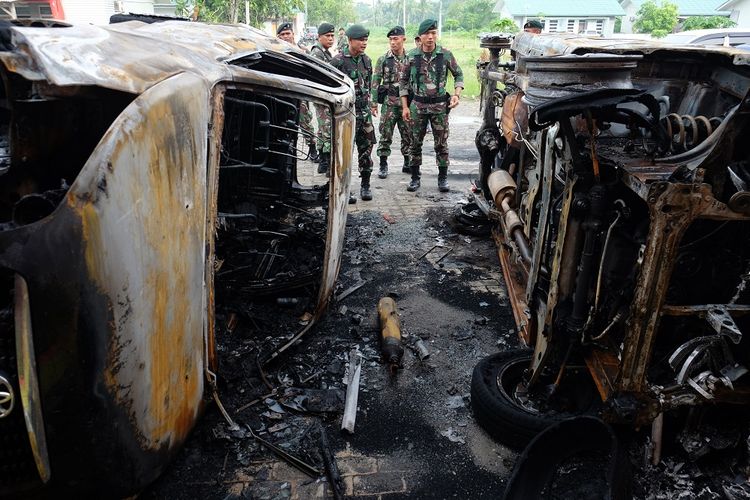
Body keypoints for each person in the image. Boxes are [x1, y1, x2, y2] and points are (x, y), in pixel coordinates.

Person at [400, 19, 463, 192]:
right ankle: (414, 178)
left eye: (433, 33)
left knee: (441, 143)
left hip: (439, 107)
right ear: (420, 36)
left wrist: (456, 95)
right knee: (414, 143)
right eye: (427, 34)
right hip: (418, 106)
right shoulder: (412, 56)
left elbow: (458, 74)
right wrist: (405, 107)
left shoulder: (445, 55)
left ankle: (442, 179)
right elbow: (403, 82)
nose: (430, 37)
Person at [331, 24, 376, 201]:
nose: (364, 43)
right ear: (350, 41)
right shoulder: (337, 61)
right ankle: (345, 188)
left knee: (366, 151)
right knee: (344, 153)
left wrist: (370, 106)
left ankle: (365, 186)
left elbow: (369, 85)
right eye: (360, 40)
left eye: (366, 40)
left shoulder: (367, 61)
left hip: (364, 115)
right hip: (346, 115)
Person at [371, 26, 412, 178]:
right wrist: (374, 103)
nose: (393, 42)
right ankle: (383, 164)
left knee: (408, 134)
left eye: (396, 39)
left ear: (403, 39)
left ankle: (407, 162)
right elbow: (375, 82)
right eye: (390, 40)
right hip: (389, 103)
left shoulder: (411, 58)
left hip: (406, 104)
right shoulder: (383, 59)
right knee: (385, 134)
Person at [277, 22, 319, 162]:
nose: (285, 36)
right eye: (282, 34)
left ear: (293, 34)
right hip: (282, 92)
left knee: (305, 121)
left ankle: (312, 149)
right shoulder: (274, 51)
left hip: (300, 92)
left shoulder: (302, 51)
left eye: (288, 33)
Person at [309, 22, 336, 175]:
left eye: (332, 36)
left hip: (325, 96)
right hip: (322, 96)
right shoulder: (317, 53)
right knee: (326, 130)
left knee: (323, 130)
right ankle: (326, 162)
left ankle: (323, 163)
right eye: (328, 36)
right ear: (319, 37)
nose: (331, 38)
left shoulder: (325, 52)